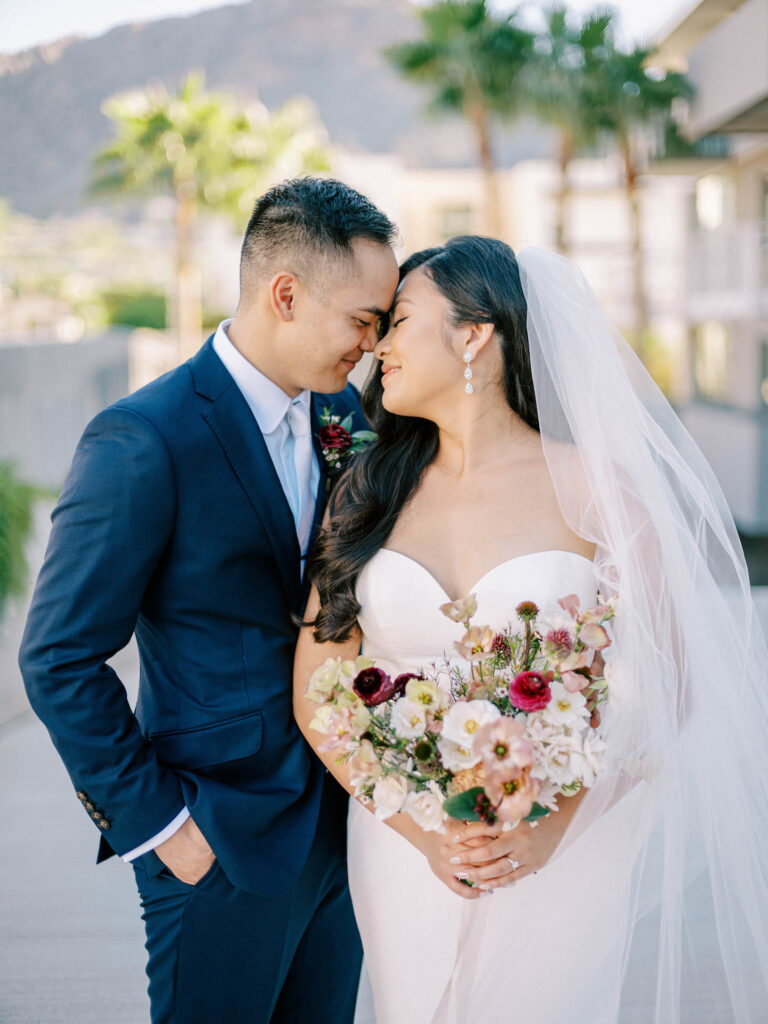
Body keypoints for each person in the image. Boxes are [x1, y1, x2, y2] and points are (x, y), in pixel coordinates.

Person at [294, 236, 768, 1024]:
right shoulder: (367, 493)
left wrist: (552, 830)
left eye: (402, 319)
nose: (380, 345)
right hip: (404, 851)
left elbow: (668, 686)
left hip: (560, 851)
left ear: (475, 333)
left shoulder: (595, 488)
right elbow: (319, 687)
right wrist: (424, 829)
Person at [18, 177, 399, 1024]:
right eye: (362, 321)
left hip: (341, 839)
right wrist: (160, 831)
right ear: (287, 294)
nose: (370, 346)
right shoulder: (144, 439)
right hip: (216, 840)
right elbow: (57, 658)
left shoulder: (344, 415)